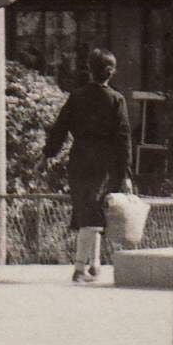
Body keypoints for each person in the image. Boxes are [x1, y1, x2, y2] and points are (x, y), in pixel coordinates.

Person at [45, 46, 133, 284]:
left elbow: (60, 129)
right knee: (94, 214)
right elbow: (124, 139)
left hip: (79, 160)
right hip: (105, 164)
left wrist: (48, 154)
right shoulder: (116, 100)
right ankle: (80, 267)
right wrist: (125, 173)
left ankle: (95, 264)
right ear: (111, 72)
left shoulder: (77, 97)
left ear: (89, 70)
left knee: (87, 211)